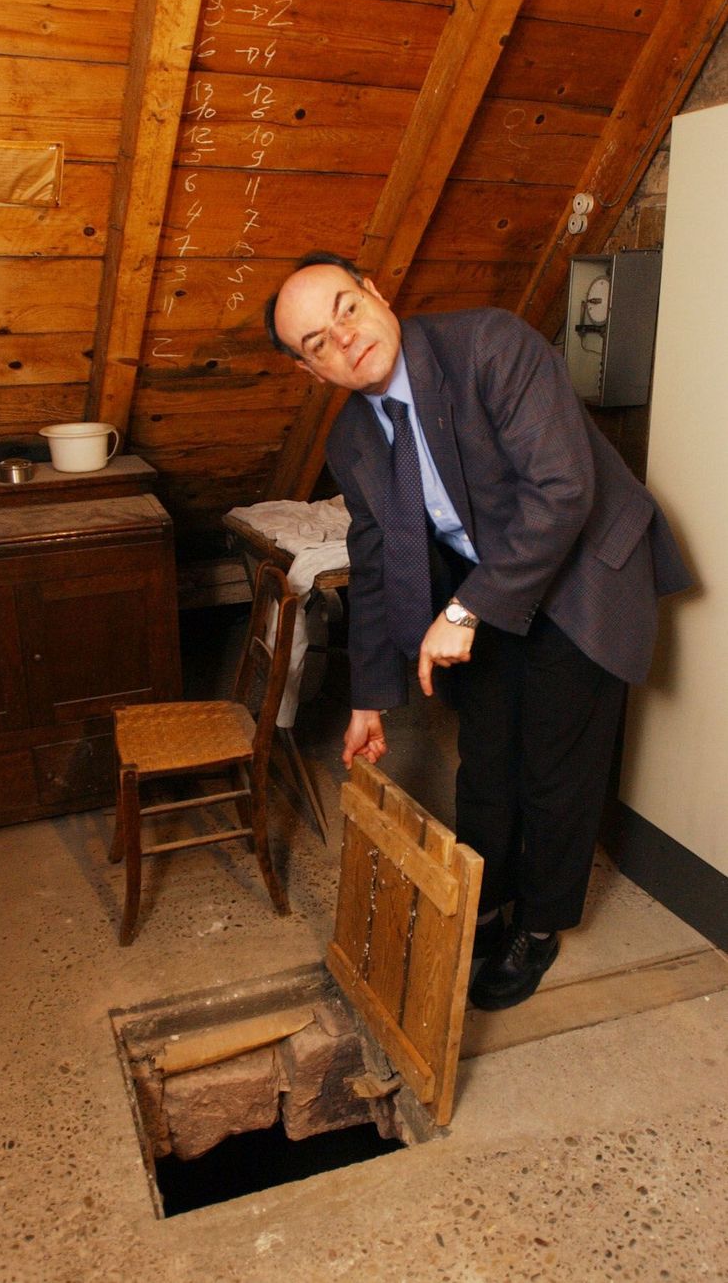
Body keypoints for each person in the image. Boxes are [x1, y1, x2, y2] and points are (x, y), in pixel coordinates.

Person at [265, 251, 691, 1011]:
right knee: (487, 763)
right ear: (310, 371)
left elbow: (564, 490)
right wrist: (368, 698)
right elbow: (376, 566)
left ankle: (539, 926)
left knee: (555, 771)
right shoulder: (351, 443)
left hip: (584, 568)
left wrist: (463, 612)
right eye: (317, 344)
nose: (343, 340)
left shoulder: (490, 345)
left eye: (346, 311)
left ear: (375, 292)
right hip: (489, 589)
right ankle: (487, 907)